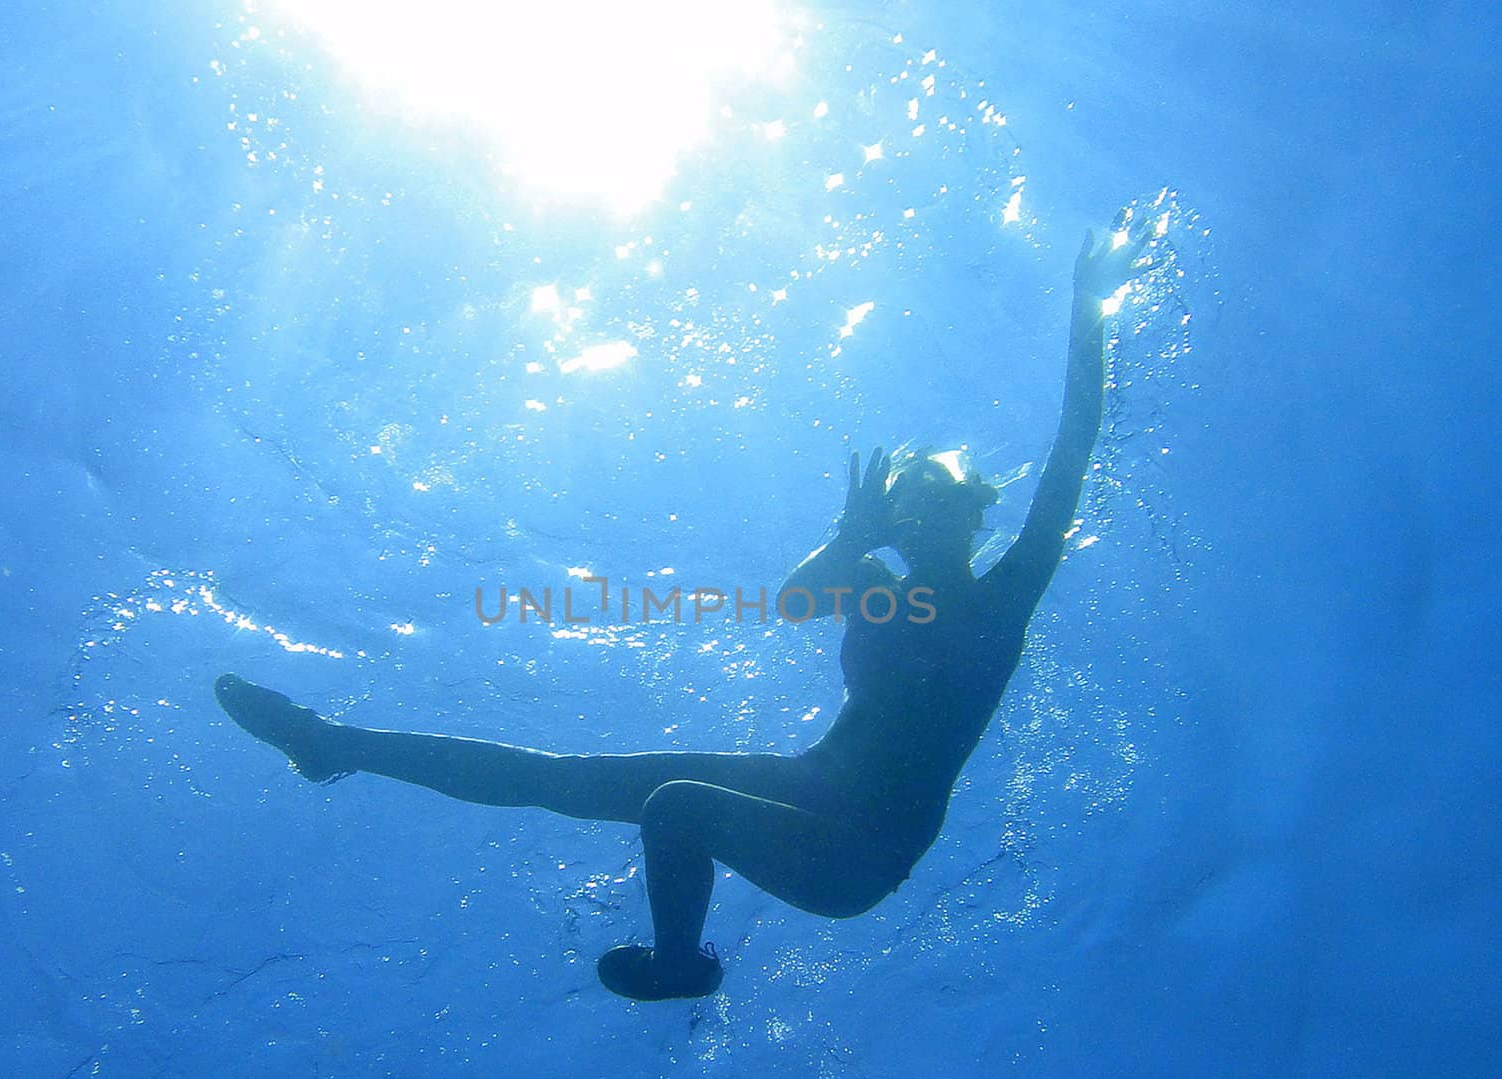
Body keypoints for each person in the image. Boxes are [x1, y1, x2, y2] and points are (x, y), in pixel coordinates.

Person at [215, 222, 1151, 1001]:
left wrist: (1086, 303)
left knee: (677, 808)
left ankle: (681, 968)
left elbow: (1076, 442)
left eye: (940, 498)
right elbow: (791, 603)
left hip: (866, 848)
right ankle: (333, 743)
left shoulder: (1003, 595)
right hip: (810, 786)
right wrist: (841, 535)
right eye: (906, 502)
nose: (920, 512)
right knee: (563, 777)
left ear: (979, 508)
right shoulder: (876, 586)